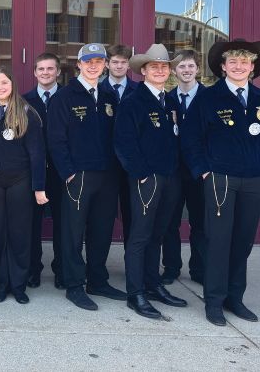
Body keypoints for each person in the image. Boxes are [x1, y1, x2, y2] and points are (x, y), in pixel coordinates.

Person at [181, 39, 260, 326]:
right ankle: (213, 302)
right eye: (233, 62)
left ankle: (235, 298)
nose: (239, 67)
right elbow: (191, 139)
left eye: (245, 62)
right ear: (224, 67)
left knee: (243, 242)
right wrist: (204, 172)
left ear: (252, 68)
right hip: (220, 180)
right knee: (218, 241)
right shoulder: (208, 98)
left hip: (255, 181)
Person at [47, 43, 127, 311]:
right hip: (77, 177)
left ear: (105, 65)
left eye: (99, 61)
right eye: (88, 61)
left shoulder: (109, 95)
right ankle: (74, 284)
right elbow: (55, 140)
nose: (94, 65)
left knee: (101, 230)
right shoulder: (64, 96)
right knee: (72, 232)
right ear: (78, 64)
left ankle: (97, 280)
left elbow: (118, 136)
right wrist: (68, 172)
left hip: (107, 176)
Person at [115, 44, 188, 319]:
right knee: (140, 237)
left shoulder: (170, 101)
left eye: (164, 66)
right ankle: (136, 294)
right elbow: (124, 143)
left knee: (158, 234)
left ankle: (153, 284)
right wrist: (142, 174)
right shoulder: (133, 101)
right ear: (143, 70)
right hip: (147, 179)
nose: (160, 70)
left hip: (170, 178)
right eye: (154, 66)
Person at [0, 68, 47, 304]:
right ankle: (1, 283)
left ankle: (18, 285)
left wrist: (39, 188)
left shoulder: (27, 113)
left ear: (12, 84)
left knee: (19, 233)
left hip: (20, 180)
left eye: (4, 82)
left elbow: (37, 154)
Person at [161, 50, 206, 285]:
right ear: (174, 71)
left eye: (190, 66)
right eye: (181, 67)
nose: (186, 70)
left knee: (201, 223)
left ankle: (199, 269)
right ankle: (171, 267)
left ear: (197, 69)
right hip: (174, 172)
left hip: (200, 173)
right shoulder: (167, 99)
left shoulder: (209, 98)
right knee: (170, 222)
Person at [22, 53, 63, 289]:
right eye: (41, 69)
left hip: (61, 172)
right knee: (32, 224)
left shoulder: (67, 98)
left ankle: (61, 269)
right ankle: (33, 269)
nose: (46, 73)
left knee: (63, 223)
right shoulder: (24, 101)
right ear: (34, 73)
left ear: (58, 72)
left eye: (50, 69)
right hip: (32, 172)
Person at [100, 44, 139, 246]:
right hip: (105, 163)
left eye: (123, 62)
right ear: (107, 64)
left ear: (129, 65)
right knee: (103, 217)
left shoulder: (138, 90)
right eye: (115, 62)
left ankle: (132, 265)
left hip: (131, 164)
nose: (119, 66)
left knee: (132, 215)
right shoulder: (98, 89)